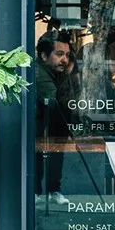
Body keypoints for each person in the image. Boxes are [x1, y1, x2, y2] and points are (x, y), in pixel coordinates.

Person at [35, 30, 74, 206]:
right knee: (39, 154)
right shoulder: (39, 73)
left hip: (53, 124)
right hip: (40, 125)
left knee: (56, 153)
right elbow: (55, 102)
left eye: (67, 55)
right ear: (44, 55)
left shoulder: (58, 73)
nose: (64, 60)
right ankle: (36, 191)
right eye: (59, 54)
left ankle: (52, 190)